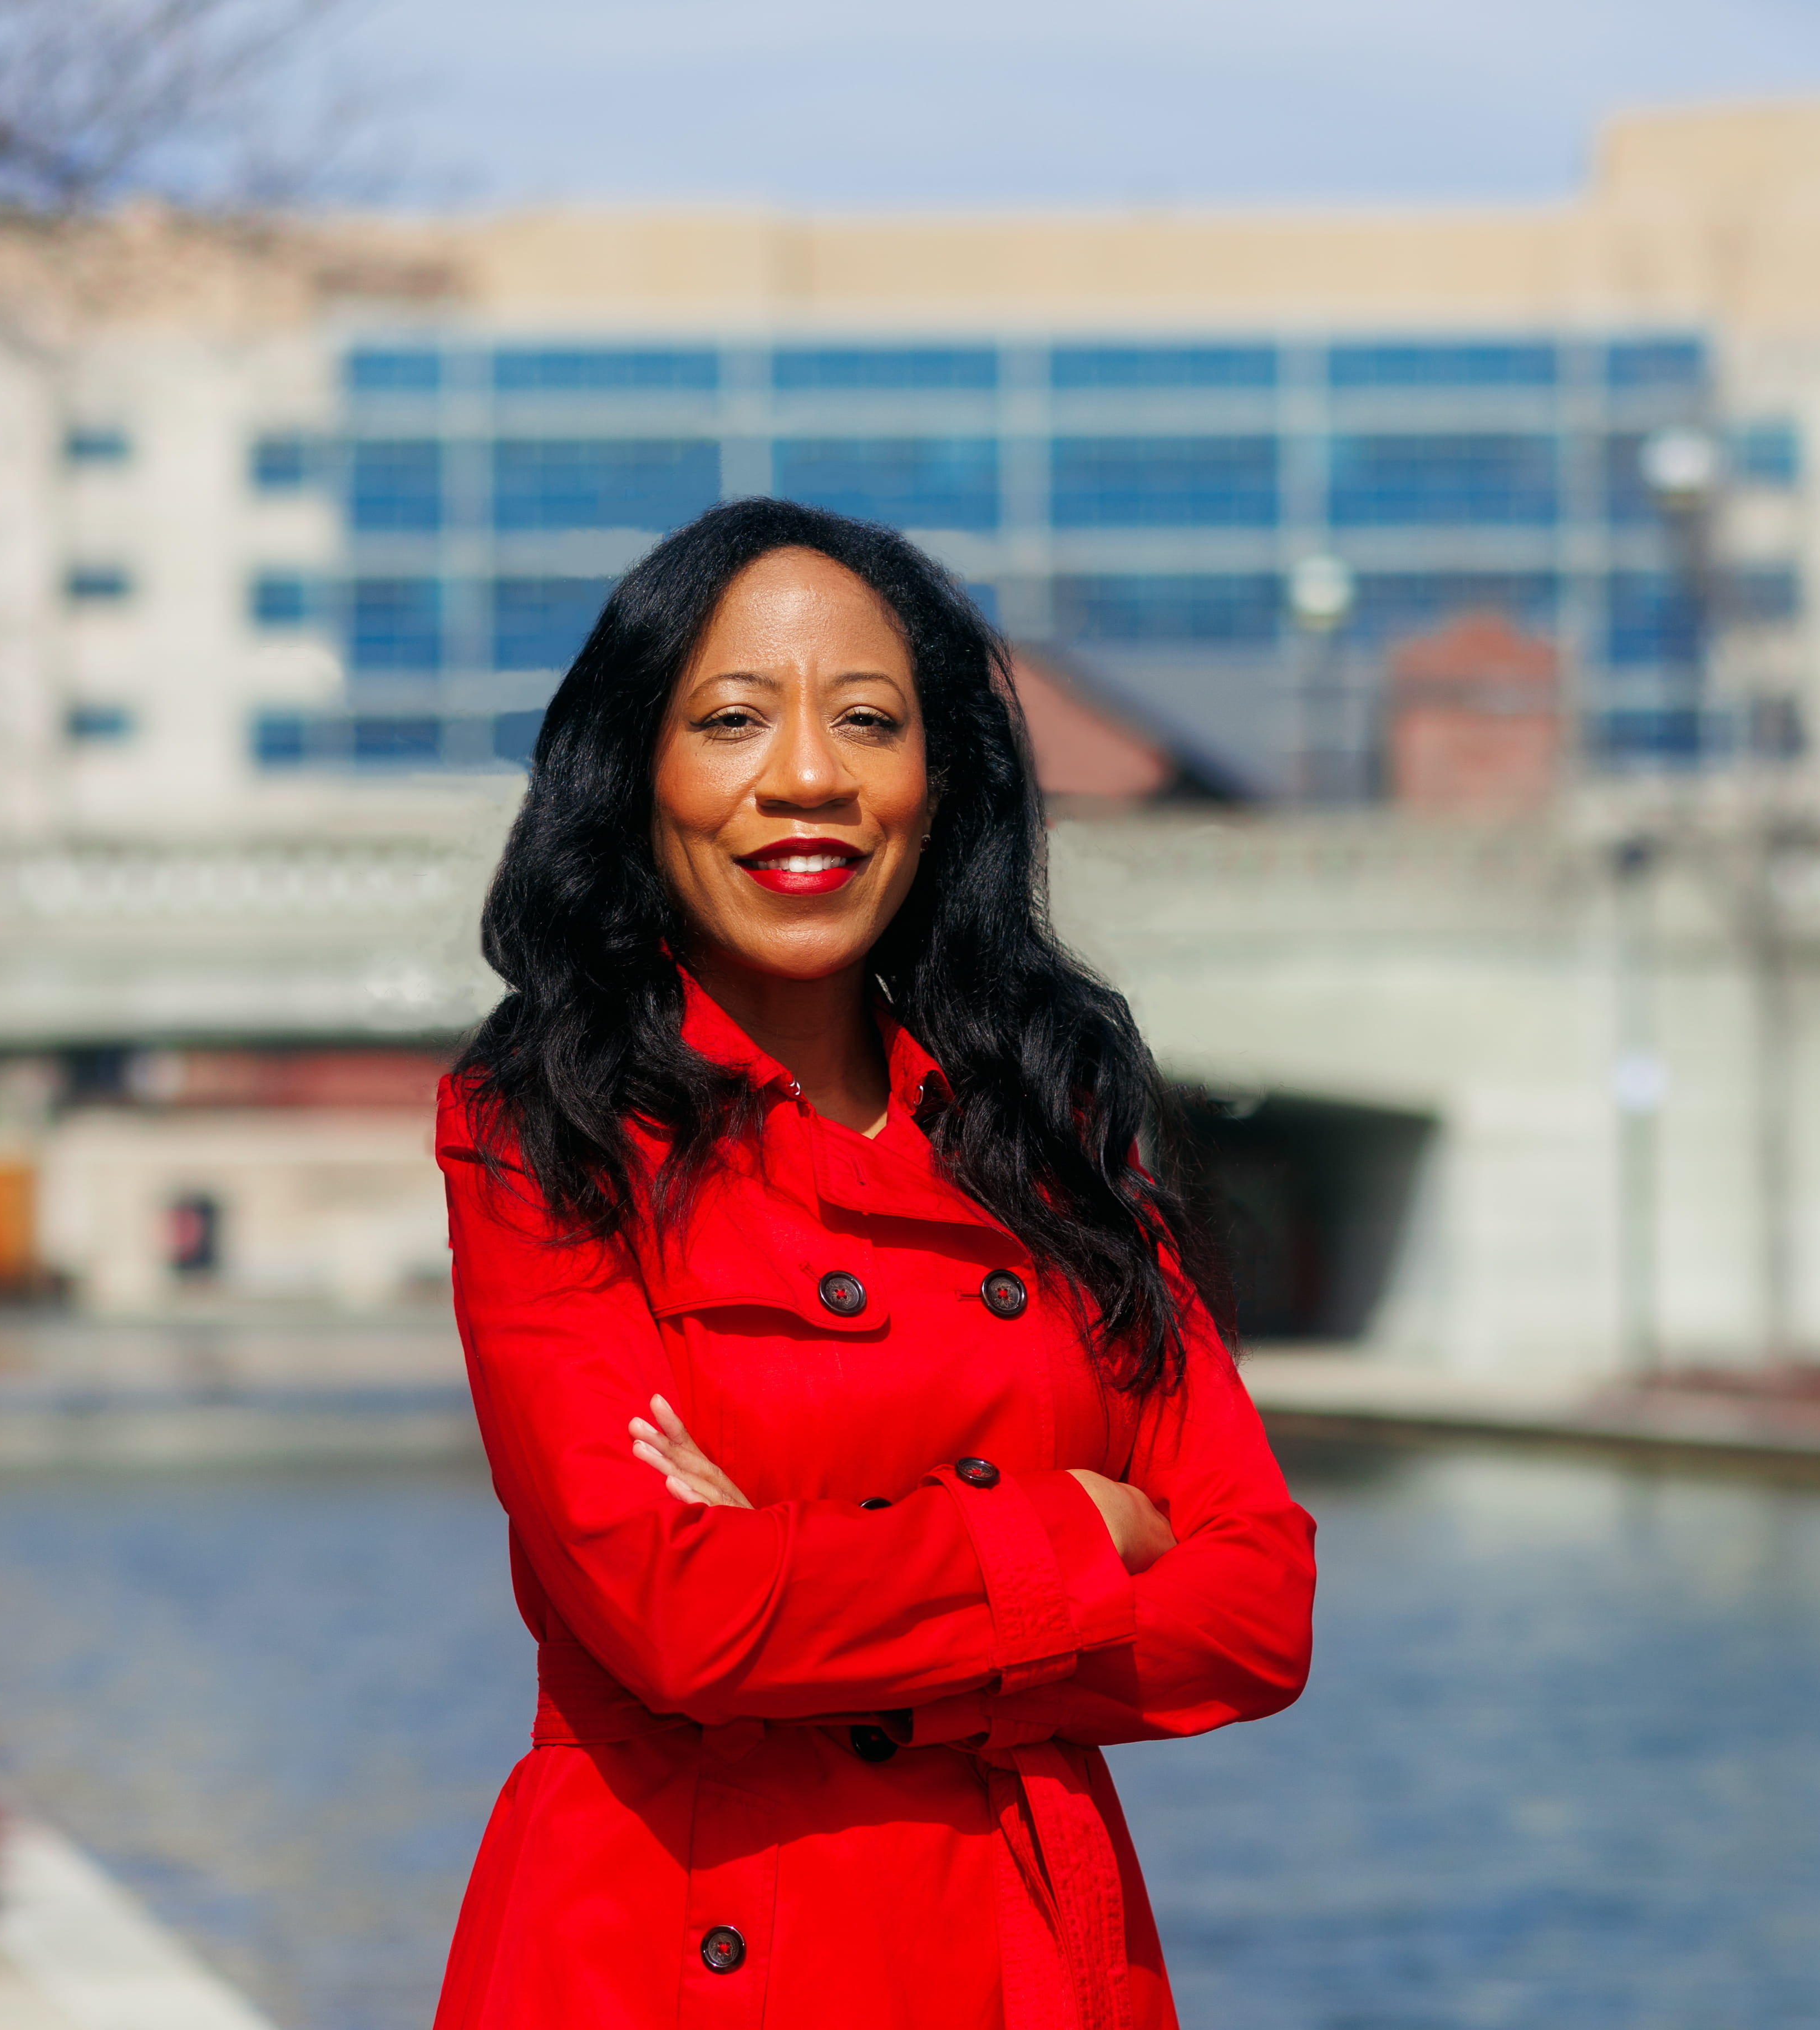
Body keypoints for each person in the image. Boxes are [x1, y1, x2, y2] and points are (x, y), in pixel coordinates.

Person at [431, 499, 1316, 2030]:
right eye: (730, 720)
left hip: (1020, 1954)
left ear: (938, 779)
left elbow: (1260, 1606)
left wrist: (800, 1590)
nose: (807, 780)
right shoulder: (546, 1130)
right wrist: (1071, 1535)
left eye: (866, 721)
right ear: (637, 774)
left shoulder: (1051, 1126)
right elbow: (668, 1613)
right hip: (667, 1949)